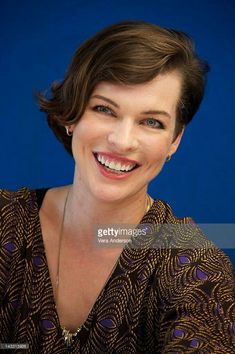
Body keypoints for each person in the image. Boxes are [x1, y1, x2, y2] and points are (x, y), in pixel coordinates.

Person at [0, 21, 234, 354]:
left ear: (174, 141)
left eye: (152, 122)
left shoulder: (192, 264)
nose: (122, 141)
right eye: (105, 109)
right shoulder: (6, 223)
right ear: (72, 114)